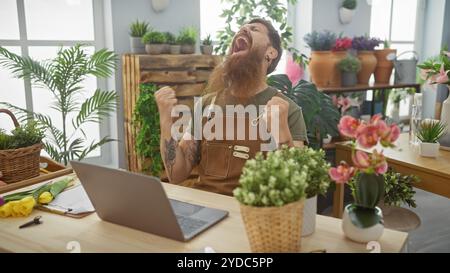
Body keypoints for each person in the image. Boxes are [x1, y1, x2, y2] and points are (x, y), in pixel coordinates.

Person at [155, 18, 307, 196]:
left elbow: (296, 185)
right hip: (207, 208)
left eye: (254, 29)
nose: (242, 31)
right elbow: (176, 174)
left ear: (271, 52)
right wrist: (166, 120)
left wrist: (282, 130)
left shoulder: (288, 110)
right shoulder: (206, 104)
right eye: (241, 28)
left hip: (256, 215)